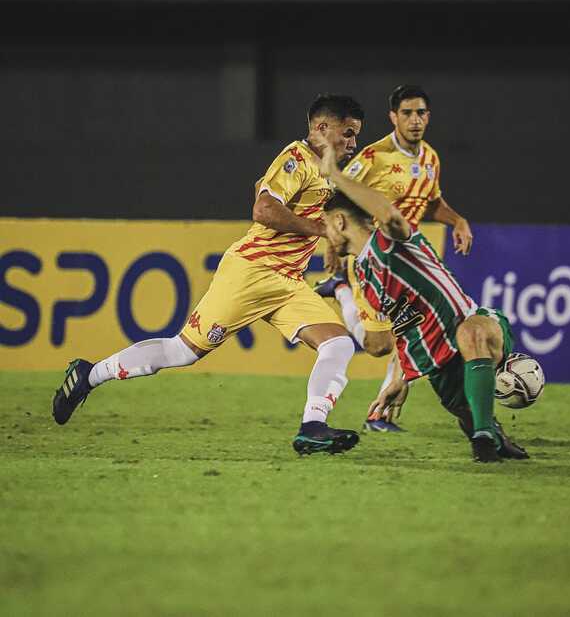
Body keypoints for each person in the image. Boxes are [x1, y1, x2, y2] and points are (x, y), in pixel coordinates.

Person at [52, 94, 366, 456]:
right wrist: (320, 230)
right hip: (251, 273)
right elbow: (263, 209)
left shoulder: (320, 168)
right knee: (181, 352)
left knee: (338, 343)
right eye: (348, 133)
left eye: (355, 136)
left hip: (287, 282)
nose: (353, 143)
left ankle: (313, 426)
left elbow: (260, 186)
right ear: (322, 128)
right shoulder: (297, 159)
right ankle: (88, 375)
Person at [318, 141, 529, 462]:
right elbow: (406, 328)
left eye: (325, 224)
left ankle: (485, 433)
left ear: (339, 222)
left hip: (476, 330)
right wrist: (400, 379)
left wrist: (334, 173)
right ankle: (490, 433)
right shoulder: (364, 275)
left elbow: (387, 213)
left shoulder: (391, 239)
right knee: (467, 416)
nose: (326, 236)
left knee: (472, 333)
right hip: (438, 363)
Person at [316, 85, 473, 432]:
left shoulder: (430, 158)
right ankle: (342, 288)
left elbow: (432, 202)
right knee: (379, 344)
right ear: (393, 117)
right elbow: (338, 197)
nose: (414, 120)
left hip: (410, 260)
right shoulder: (373, 157)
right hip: (374, 260)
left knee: (410, 327)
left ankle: (379, 414)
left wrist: (457, 219)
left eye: (420, 113)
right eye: (406, 113)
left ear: (428, 117)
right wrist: (332, 245)